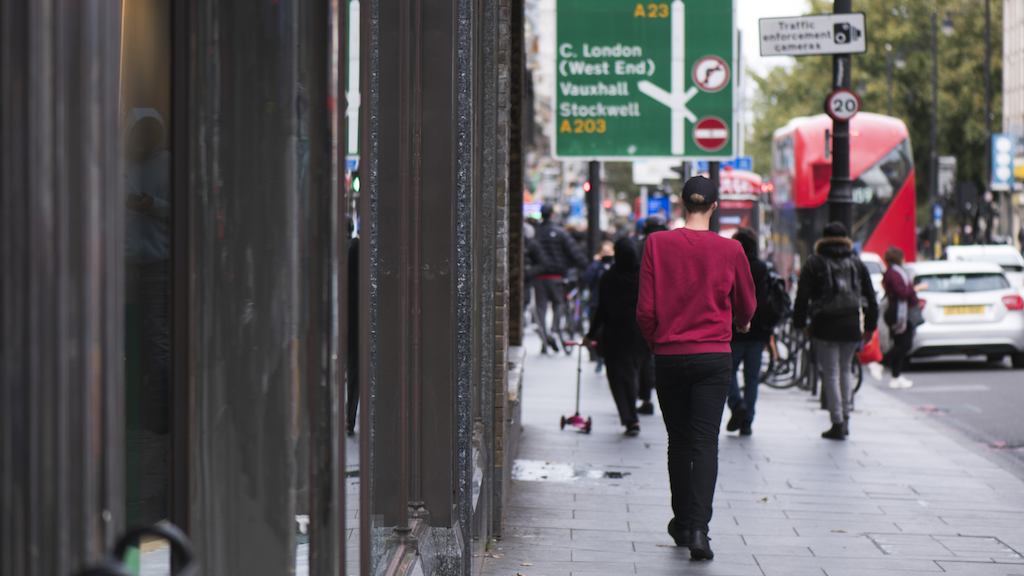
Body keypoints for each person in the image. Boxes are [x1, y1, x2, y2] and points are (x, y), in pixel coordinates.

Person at [637, 176, 757, 561]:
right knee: (706, 442)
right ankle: (700, 529)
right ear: (715, 206)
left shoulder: (657, 244)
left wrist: (660, 342)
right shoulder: (731, 250)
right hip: (712, 357)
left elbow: (645, 311)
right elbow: (747, 305)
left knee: (679, 442)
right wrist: (740, 323)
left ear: (680, 204)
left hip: (670, 355)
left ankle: (682, 520)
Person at [792, 222, 879, 440]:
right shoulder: (856, 263)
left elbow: (802, 297)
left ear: (823, 239)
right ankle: (847, 417)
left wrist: (800, 323)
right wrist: (869, 326)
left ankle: (837, 421)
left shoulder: (814, 262)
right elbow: (870, 297)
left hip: (824, 324)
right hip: (850, 325)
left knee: (830, 373)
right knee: (846, 370)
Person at [586, 238, 648, 436]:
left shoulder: (609, 277)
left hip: (614, 335)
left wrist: (591, 333)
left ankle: (629, 417)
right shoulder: (644, 278)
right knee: (633, 373)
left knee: (617, 377)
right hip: (640, 335)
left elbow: (601, 309)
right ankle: (632, 414)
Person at [725, 228, 772, 437]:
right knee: (752, 378)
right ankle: (747, 421)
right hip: (757, 331)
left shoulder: (731, 265)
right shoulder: (761, 268)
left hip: (734, 329)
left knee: (727, 373)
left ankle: (737, 404)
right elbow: (765, 301)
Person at [534, 204, 588, 354]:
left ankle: (545, 338)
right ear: (552, 214)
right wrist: (586, 267)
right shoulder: (560, 232)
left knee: (541, 309)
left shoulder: (536, 233)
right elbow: (574, 252)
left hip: (539, 277)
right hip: (557, 276)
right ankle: (554, 328)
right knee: (559, 304)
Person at [637, 217, 668, 416]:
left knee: (644, 357)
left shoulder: (640, 247)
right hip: (667, 310)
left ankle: (646, 396)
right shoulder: (669, 248)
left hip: (643, 308)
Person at [882, 246, 923, 389]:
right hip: (898, 313)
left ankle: (896, 376)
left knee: (900, 343)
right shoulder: (894, 273)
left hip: (900, 311)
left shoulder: (896, 272)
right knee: (903, 344)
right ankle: (882, 363)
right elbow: (902, 292)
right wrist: (915, 289)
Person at [583, 240, 615, 372]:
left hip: (612, 304)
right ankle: (598, 357)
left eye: (609, 252)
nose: (607, 255)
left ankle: (606, 357)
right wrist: (596, 263)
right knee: (596, 332)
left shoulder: (615, 265)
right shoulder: (596, 265)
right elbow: (587, 279)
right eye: (604, 252)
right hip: (596, 302)